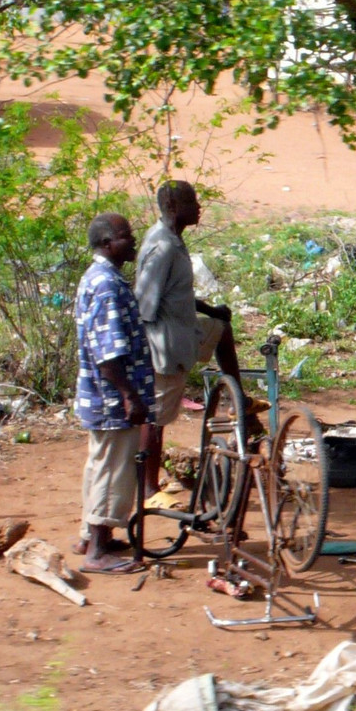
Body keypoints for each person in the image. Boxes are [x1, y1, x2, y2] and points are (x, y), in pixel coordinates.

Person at [134, 181, 244, 495]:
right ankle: (148, 488)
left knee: (221, 329)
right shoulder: (163, 246)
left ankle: (238, 400)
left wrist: (211, 309)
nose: (198, 207)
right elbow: (144, 305)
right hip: (166, 345)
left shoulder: (174, 242)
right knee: (156, 419)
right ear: (172, 206)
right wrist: (146, 350)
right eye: (191, 201)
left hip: (184, 332)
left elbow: (175, 294)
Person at [73, 213, 155, 574]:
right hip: (110, 397)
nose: (133, 242)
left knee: (100, 465)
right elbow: (109, 354)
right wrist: (129, 396)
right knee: (112, 470)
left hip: (100, 396)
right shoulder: (106, 285)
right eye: (125, 237)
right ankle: (96, 553)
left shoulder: (99, 279)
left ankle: (94, 537)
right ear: (107, 243)